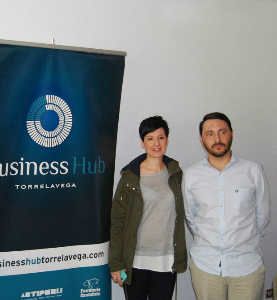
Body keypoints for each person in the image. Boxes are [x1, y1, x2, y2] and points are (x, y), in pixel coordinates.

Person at [183, 112, 270, 300]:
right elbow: (191, 217)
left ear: (231, 134)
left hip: (247, 267)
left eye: (222, 132)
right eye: (210, 133)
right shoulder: (191, 176)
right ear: (202, 139)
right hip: (206, 267)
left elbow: (262, 216)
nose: (217, 139)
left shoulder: (253, 171)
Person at [109, 116, 187, 300]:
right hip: (135, 260)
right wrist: (116, 263)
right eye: (150, 138)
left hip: (166, 259)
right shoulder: (129, 178)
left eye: (161, 137)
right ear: (142, 143)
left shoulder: (175, 173)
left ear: (167, 140)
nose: (156, 143)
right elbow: (117, 223)